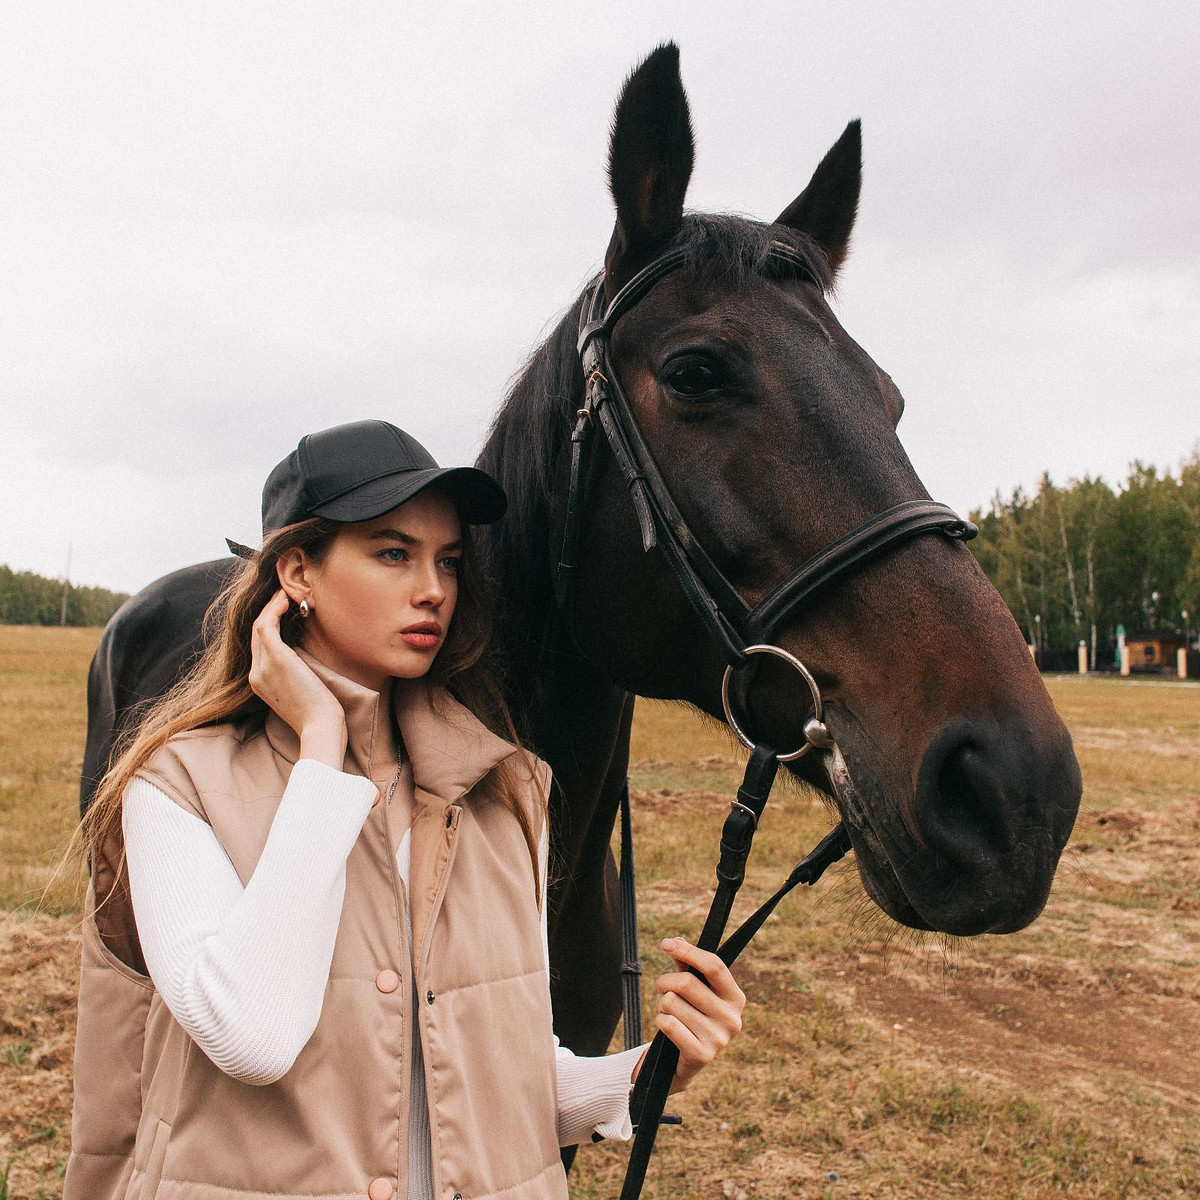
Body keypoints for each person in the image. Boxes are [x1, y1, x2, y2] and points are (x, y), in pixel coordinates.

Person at [65, 419, 746, 1200]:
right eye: (394, 554)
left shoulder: (507, 792)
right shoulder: (175, 785)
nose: (433, 590)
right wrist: (322, 745)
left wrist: (652, 1068)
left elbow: (506, 1078)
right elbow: (251, 1035)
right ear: (297, 572)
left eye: (448, 561)